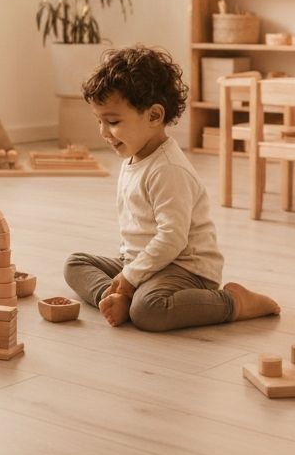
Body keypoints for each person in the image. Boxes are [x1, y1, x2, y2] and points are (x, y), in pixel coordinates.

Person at [63, 45, 279, 330]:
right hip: (143, 263)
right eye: (99, 121)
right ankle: (119, 299)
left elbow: (172, 239)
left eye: (113, 121)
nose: (103, 132)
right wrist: (129, 275)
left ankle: (234, 302)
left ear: (154, 116)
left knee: (149, 310)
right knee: (75, 263)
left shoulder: (168, 169)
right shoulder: (133, 156)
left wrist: (130, 277)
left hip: (184, 267)